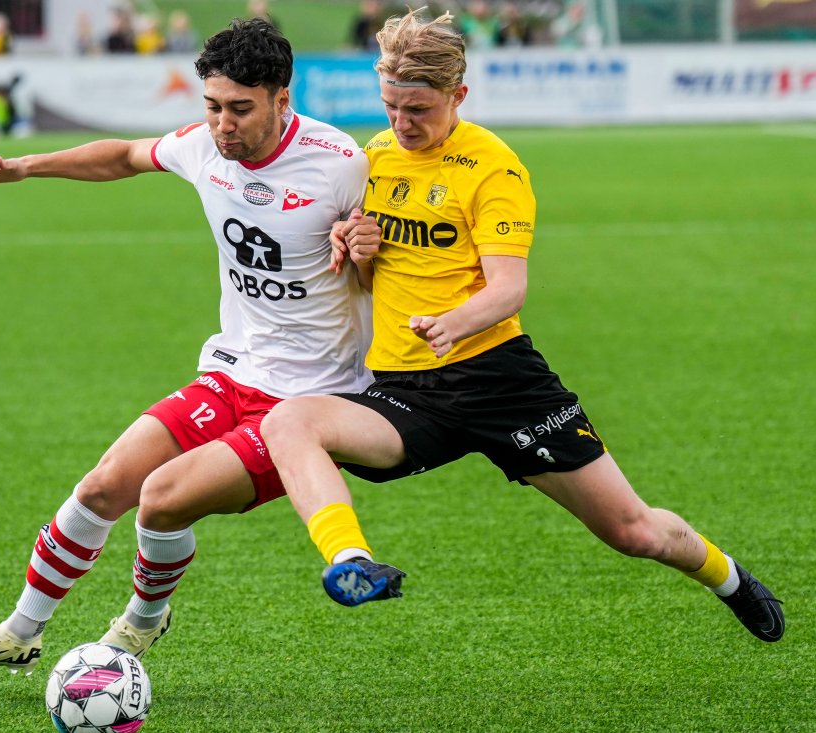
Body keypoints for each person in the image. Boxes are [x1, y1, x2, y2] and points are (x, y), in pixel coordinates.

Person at [260, 7, 785, 644]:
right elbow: (372, 278)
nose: (402, 123)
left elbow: (509, 290)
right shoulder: (378, 156)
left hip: (498, 381)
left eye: (419, 110)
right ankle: (352, 562)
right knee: (291, 421)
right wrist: (358, 246)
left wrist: (454, 324)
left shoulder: (493, 168)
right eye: (391, 107)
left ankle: (728, 578)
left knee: (632, 531)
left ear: (459, 95)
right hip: (406, 389)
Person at [0, 17, 371, 675]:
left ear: (283, 99)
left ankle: (138, 625)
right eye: (213, 107)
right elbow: (124, 155)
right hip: (231, 371)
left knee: (160, 498)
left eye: (240, 109)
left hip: (305, 404)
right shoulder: (205, 148)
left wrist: (363, 255)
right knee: (106, 485)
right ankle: (19, 630)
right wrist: (22, 167)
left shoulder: (343, 167)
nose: (223, 124)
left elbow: (386, 277)